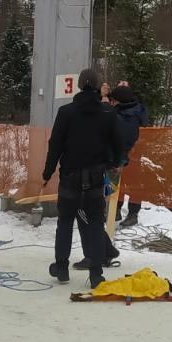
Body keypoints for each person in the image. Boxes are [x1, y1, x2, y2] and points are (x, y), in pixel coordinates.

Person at [42, 68, 125, 289]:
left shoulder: (66, 112)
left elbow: (55, 145)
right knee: (95, 225)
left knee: (65, 223)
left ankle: (61, 268)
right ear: (98, 87)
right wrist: (116, 162)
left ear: (79, 86)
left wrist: (47, 172)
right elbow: (118, 144)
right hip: (97, 180)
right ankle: (96, 274)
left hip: (70, 178)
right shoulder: (107, 113)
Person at [109, 83, 149, 229]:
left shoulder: (128, 116)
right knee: (120, 182)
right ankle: (115, 210)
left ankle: (132, 214)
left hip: (130, 154)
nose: (111, 103)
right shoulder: (132, 110)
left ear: (120, 101)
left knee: (132, 184)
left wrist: (120, 159)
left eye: (113, 100)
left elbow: (125, 139)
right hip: (128, 154)